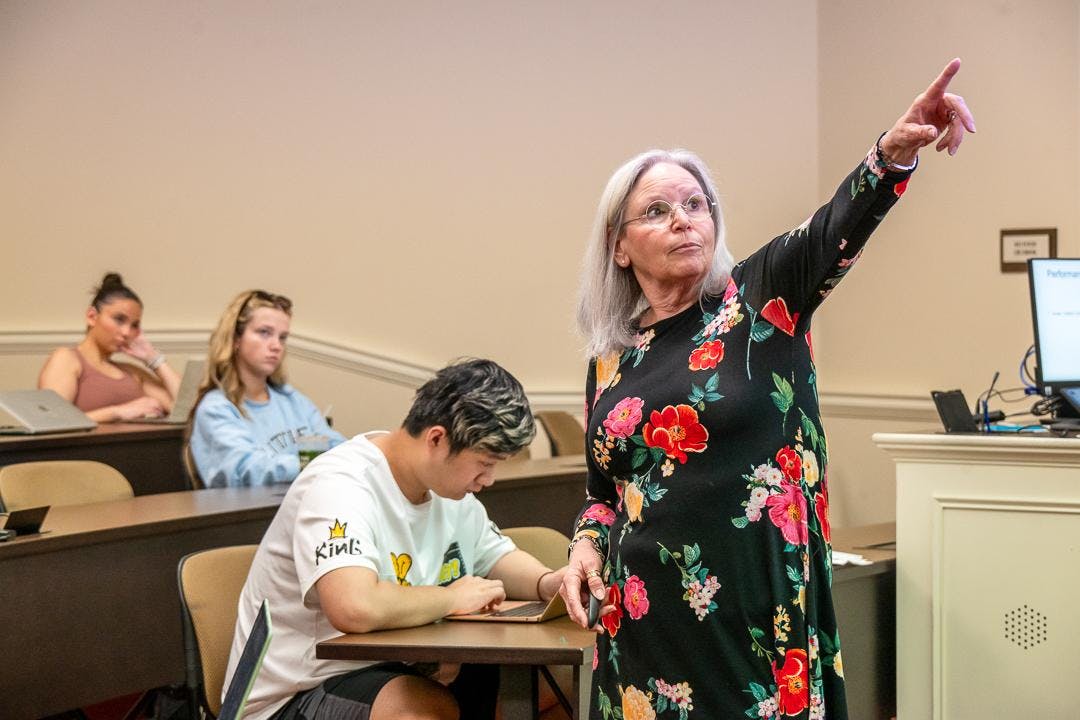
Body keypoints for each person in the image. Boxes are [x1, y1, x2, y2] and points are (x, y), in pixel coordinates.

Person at [561, 59, 976, 718]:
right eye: (657, 211)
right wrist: (583, 546)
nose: (683, 220)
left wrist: (892, 154)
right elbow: (601, 494)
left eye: (696, 205)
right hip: (640, 629)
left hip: (754, 628)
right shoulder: (610, 358)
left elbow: (836, 226)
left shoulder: (761, 299)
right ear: (619, 247)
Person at [224, 358, 565, 720]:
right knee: (419, 710)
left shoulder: (450, 493)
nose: (489, 479)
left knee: (551, 686)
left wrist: (546, 583)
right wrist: (450, 599)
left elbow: (495, 556)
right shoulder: (340, 484)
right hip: (295, 692)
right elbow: (354, 607)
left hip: (400, 669)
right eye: (485, 463)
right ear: (437, 438)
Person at [189, 290, 345, 487]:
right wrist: (314, 463)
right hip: (254, 514)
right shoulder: (216, 408)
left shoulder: (292, 399)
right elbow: (246, 471)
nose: (276, 346)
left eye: (282, 337)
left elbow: (338, 447)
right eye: (264, 333)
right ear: (236, 339)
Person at [38, 272, 181, 423]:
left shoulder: (132, 373)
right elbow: (51, 423)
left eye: (134, 325)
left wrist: (154, 359)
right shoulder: (67, 358)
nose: (127, 332)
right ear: (92, 317)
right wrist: (118, 412)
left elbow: (190, 410)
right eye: (119, 319)